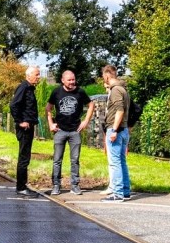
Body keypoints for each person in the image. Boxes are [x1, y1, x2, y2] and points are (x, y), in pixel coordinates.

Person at [46, 69, 93, 196]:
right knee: (57, 159)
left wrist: (86, 121)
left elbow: (91, 105)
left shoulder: (80, 92)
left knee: (75, 159)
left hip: (75, 131)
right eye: (69, 80)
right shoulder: (56, 92)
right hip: (60, 130)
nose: (72, 82)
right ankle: (56, 185)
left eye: (73, 79)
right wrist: (51, 123)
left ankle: (75, 185)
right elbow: (48, 108)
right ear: (63, 80)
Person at [9, 65, 42, 198]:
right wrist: (20, 121)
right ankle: (21, 187)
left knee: (25, 157)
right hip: (24, 128)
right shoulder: (24, 87)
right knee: (23, 157)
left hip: (29, 126)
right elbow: (13, 105)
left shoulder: (29, 88)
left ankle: (23, 185)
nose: (39, 77)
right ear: (29, 75)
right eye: (37, 74)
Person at [100, 64, 131, 201]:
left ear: (107, 76)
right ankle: (125, 190)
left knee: (115, 163)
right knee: (122, 162)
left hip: (116, 130)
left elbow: (120, 110)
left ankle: (117, 193)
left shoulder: (116, 90)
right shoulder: (123, 89)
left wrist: (114, 130)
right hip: (123, 130)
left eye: (103, 77)